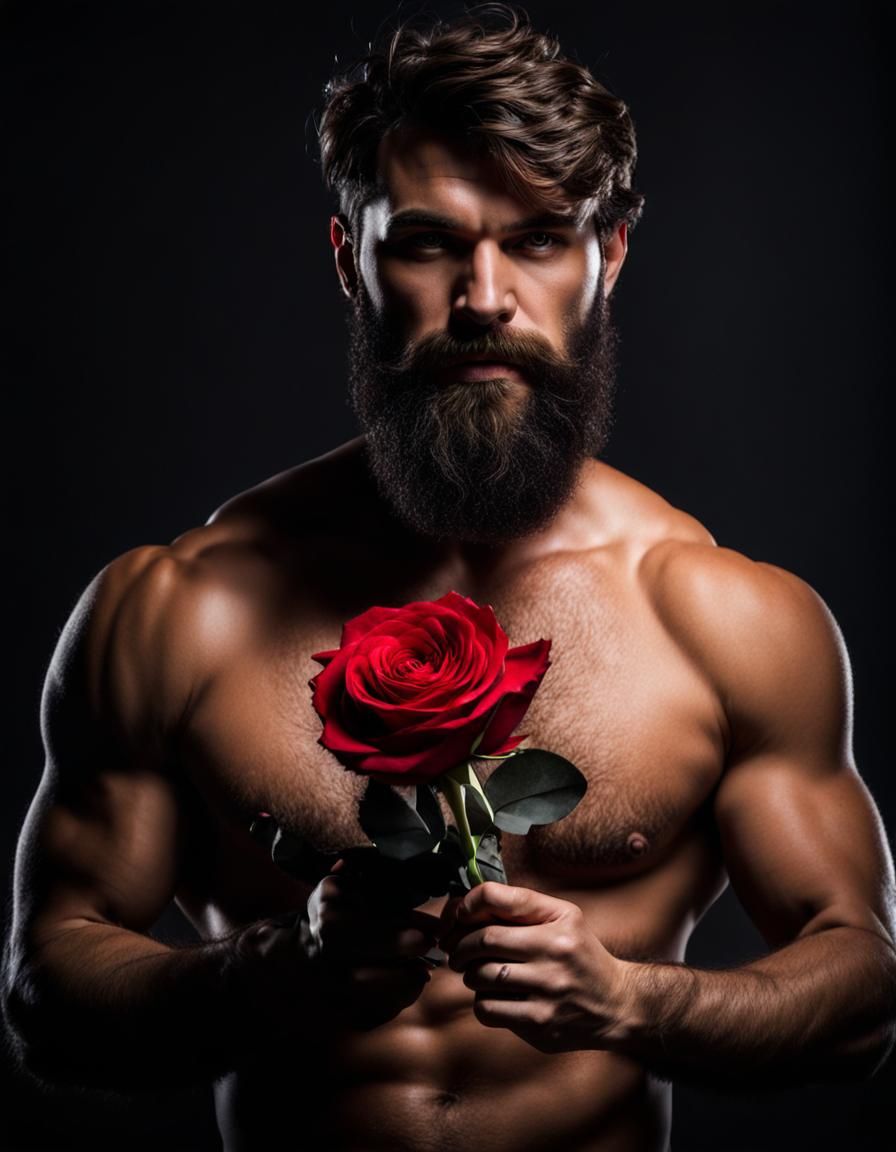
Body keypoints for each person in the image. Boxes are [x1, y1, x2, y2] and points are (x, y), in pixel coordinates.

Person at [3, 4, 895, 1151]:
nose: (483, 296)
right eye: (424, 242)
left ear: (606, 256)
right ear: (349, 261)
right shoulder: (182, 609)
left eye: (536, 238)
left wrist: (628, 1001)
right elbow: (45, 996)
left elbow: (860, 990)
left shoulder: (725, 617)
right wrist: (274, 972)